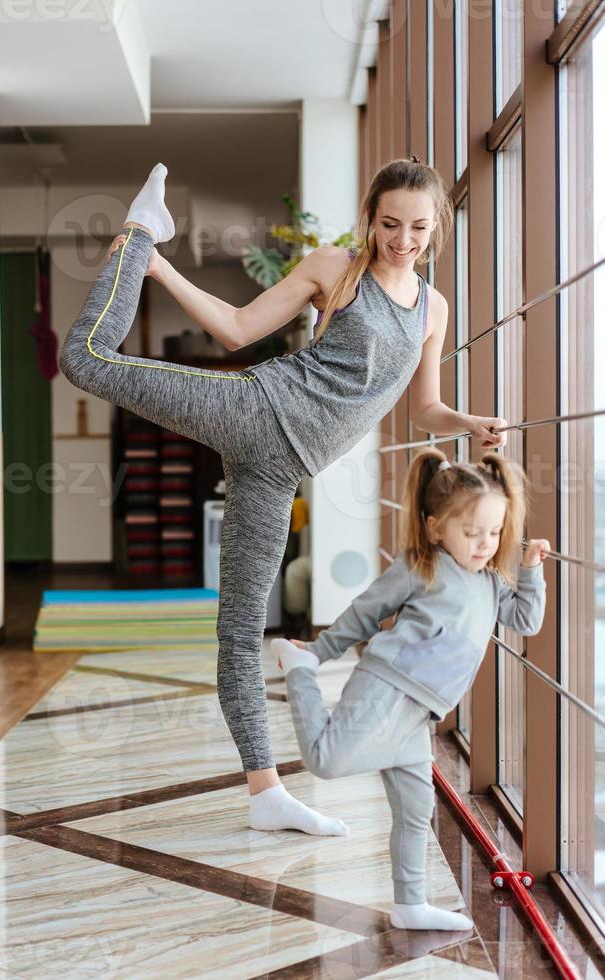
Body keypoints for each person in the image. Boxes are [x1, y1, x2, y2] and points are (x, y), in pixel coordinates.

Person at [59, 158, 509, 837]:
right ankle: (141, 237)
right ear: (371, 218)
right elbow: (239, 329)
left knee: (242, 632)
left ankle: (265, 792)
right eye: (390, 224)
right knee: (85, 360)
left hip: (279, 471)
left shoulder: (434, 310)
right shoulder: (337, 270)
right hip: (255, 409)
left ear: (436, 226)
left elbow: (423, 408)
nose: (403, 240)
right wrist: (161, 269)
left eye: (418, 227)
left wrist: (467, 423)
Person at [271, 448, 549, 929]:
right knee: (327, 761)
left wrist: (530, 568)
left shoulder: (490, 582)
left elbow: (526, 619)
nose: (484, 544)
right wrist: (316, 654)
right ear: (436, 527)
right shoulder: (422, 564)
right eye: (471, 532)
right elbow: (365, 611)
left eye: (494, 532)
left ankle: (410, 904)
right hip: (386, 688)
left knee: (416, 811)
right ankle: (297, 671)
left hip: (417, 716)